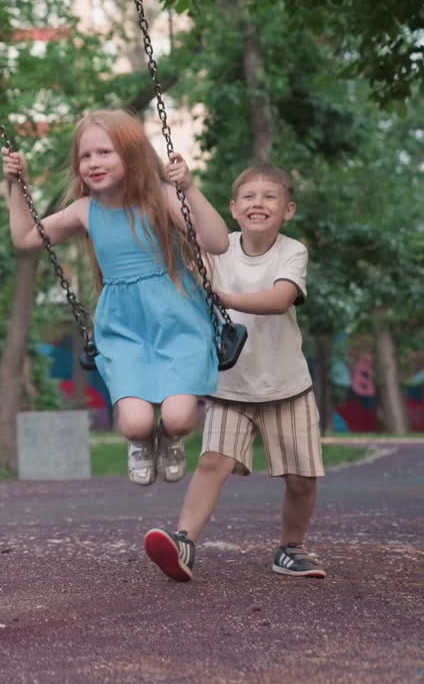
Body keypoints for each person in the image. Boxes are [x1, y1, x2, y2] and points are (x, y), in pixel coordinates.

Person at [2, 109, 230, 487]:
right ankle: (141, 443)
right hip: (123, 326)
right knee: (136, 424)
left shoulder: (163, 198)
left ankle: (172, 439)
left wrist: (188, 189)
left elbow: (217, 242)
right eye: (86, 156)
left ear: (132, 154)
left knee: (178, 417)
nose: (93, 163)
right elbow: (26, 239)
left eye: (105, 152)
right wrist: (17, 183)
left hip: (178, 318)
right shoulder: (84, 211)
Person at [144, 164, 325, 582]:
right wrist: (177, 185)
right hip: (231, 387)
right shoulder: (217, 248)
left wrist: (223, 296)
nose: (257, 203)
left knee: (301, 478)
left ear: (288, 210)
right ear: (232, 207)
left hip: (287, 387)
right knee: (213, 463)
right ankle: (184, 541)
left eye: (269, 197)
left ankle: (291, 548)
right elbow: (176, 233)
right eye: (248, 196)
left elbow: (280, 299)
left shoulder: (292, 251)